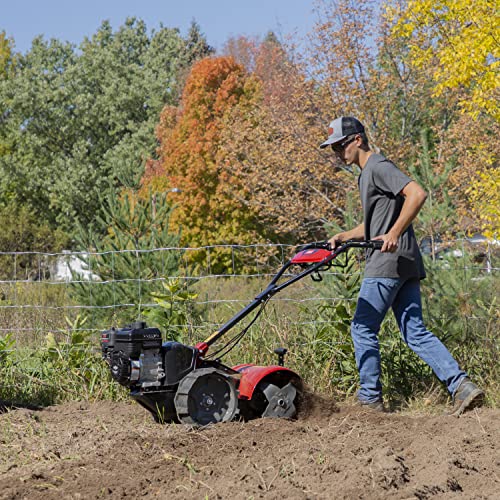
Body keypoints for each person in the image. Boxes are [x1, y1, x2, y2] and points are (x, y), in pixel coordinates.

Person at [320, 116, 484, 415]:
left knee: (362, 327)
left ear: (357, 139)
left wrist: (394, 233)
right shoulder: (367, 172)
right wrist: (346, 235)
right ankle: (461, 386)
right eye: (333, 148)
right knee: (414, 332)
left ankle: (369, 399)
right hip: (405, 262)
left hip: (387, 262)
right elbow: (375, 224)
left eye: (340, 145)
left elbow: (417, 194)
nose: (337, 152)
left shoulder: (378, 166)